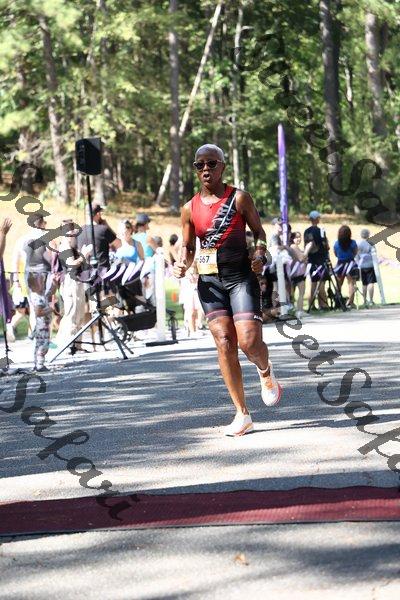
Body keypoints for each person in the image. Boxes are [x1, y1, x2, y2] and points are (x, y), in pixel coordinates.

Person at [173, 143, 282, 437]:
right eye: (200, 165)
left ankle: (265, 370)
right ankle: (242, 413)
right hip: (210, 282)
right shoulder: (189, 208)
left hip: (240, 277)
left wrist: (259, 254)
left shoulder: (239, 198)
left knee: (248, 342)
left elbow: (259, 232)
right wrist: (182, 264)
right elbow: (188, 247)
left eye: (211, 163)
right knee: (224, 341)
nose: (205, 169)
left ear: (222, 166)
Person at [77, 203, 120, 271]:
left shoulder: (79, 231)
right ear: (98, 214)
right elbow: (119, 244)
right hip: (102, 271)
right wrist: (107, 226)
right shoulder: (103, 229)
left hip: (85, 272)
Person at [27, 272, 55, 371]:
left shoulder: (39, 294)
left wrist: (54, 283)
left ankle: (36, 364)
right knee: (44, 345)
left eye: (43, 283)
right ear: (33, 287)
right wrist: (49, 310)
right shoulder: (38, 299)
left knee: (38, 344)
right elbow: (38, 313)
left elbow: (50, 292)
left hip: (42, 326)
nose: (43, 285)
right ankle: (40, 364)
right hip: (42, 326)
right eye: (41, 283)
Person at [304, 210, 329, 310]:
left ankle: (312, 305)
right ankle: (323, 305)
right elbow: (326, 246)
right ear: (316, 219)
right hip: (321, 260)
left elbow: (307, 245)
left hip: (311, 260)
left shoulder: (307, 231)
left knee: (313, 283)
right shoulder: (321, 231)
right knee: (321, 282)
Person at [333, 225, 358, 308]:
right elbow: (355, 252)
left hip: (340, 264)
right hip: (350, 263)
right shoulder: (353, 243)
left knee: (338, 284)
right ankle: (351, 302)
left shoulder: (336, 243)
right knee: (351, 283)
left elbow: (335, 253)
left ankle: (337, 302)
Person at [289, 231, 312, 319]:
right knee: (298, 293)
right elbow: (301, 258)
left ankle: (298, 310)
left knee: (299, 293)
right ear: (292, 238)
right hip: (296, 273)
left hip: (299, 273)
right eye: (296, 237)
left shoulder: (295, 247)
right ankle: (298, 311)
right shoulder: (293, 246)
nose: (299, 239)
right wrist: (307, 249)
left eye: (300, 237)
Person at [357, 228, 376, 306]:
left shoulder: (358, 243)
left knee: (364, 283)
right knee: (371, 283)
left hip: (362, 265)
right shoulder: (371, 243)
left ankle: (364, 301)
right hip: (370, 265)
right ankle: (371, 300)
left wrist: (358, 263)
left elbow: (357, 255)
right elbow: (374, 254)